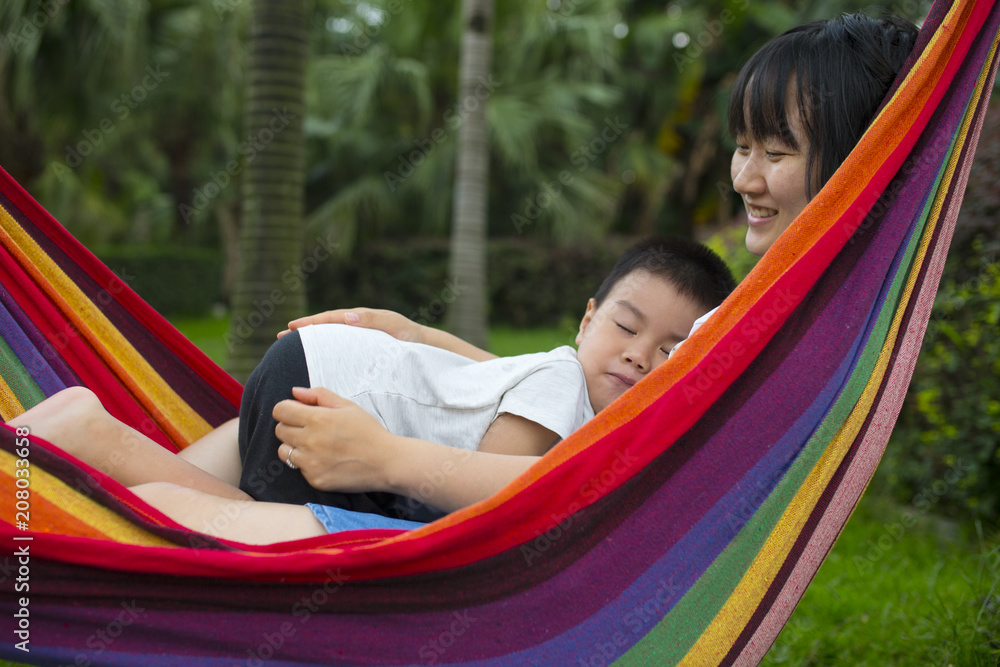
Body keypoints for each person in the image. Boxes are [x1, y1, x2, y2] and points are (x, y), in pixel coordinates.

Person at [10, 237, 736, 542]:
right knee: (245, 527)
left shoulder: (550, 376)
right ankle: (86, 437)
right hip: (328, 396)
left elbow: (472, 365)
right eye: (628, 328)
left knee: (209, 479)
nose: (640, 357)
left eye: (670, 351)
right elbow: (499, 496)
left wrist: (413, 331)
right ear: (586, 320)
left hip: (317, 368)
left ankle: (79, 451)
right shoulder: (559, 391)